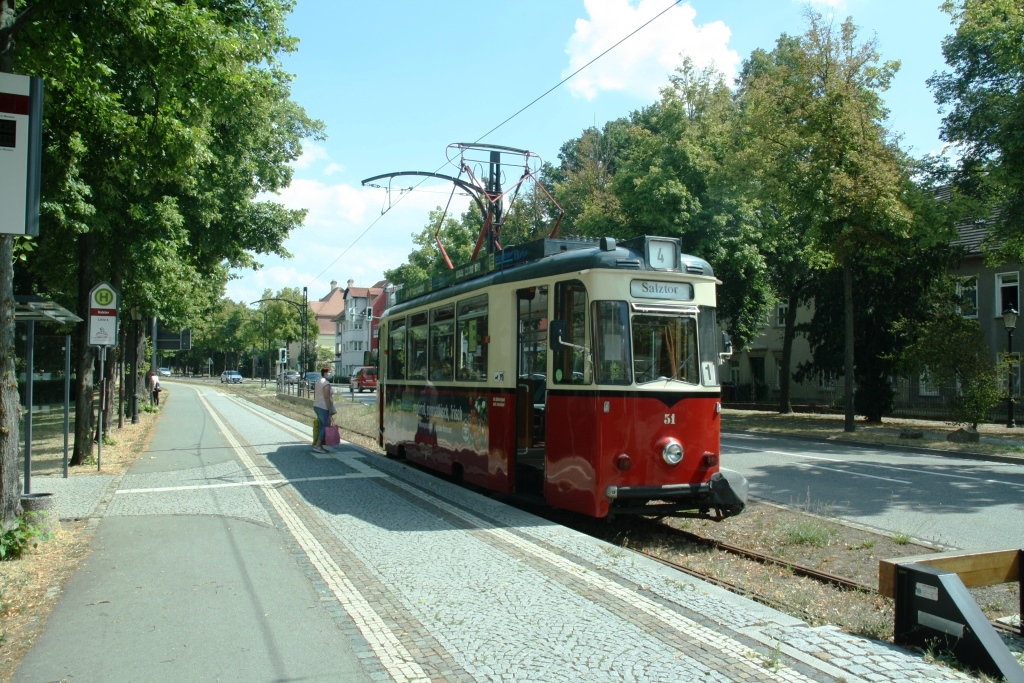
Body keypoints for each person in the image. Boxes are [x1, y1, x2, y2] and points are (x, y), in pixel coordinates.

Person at [312, 366, 335, 453]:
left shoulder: (319, 381)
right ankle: (318, 445)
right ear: (325, 373)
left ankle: (319, 445)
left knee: (322, 425)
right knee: (324, 426)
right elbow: (326, 397)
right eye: (330, 372)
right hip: (323, 407)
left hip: (317, 406)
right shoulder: (326, 383)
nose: (331, 374)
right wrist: (330, 409)